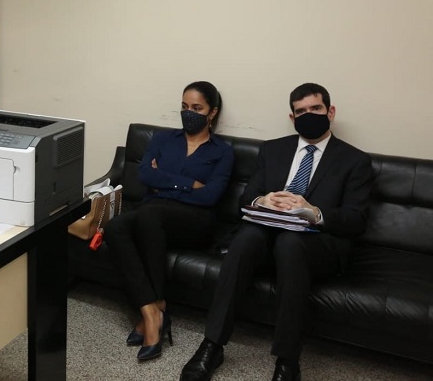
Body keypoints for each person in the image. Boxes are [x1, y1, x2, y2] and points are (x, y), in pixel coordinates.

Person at [179, 83, 374, 381]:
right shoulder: (273, 149)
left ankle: (287, 360)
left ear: (330, 112)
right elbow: (247, 198)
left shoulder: (355, 160)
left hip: (316, 244)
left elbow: (356, 220)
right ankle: (212, 345)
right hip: (266, 234)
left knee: (290, 243)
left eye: (316, 108)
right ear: (292, 117)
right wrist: (264, 200)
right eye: (301, 111)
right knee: (245, 239)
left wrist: (313, 211)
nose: (309, 115)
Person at [104, 81, 234, 361]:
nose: (189, 113)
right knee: (115, 227)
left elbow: (210, 196)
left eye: (197, 108)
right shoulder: (163, 139)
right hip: (154, 213)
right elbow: (145, 175)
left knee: (149, 214)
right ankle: (153, 309)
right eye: (185, 107)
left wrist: (164, 181)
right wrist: (190, 185)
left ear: (212, 112)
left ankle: (154, 313)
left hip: (195, 222)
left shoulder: (222, 151)